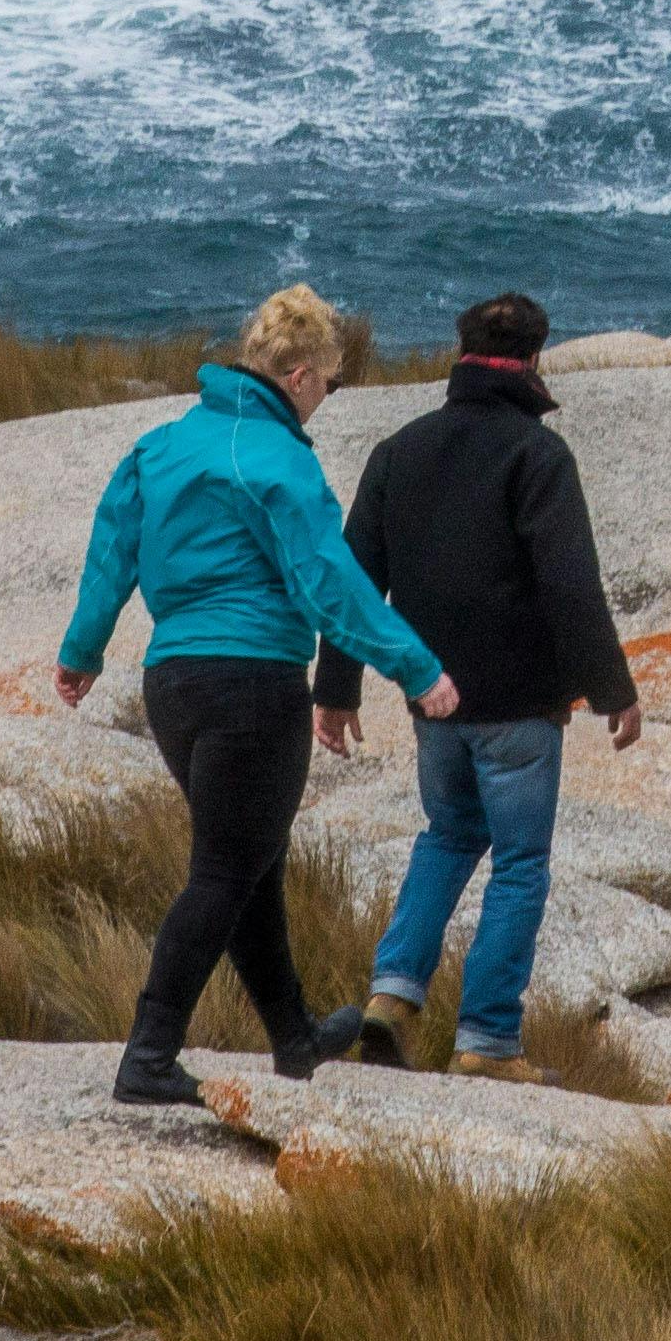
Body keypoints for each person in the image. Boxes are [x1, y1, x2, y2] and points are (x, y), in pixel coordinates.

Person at [57, 283, 457, 1108]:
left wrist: (82, 650)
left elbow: (112, 546)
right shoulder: (278, 458)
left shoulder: (160, 445)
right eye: (332, 386)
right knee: (222, 875)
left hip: (172, 685)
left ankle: (296, 1038)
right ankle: (148, 1054)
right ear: (302, 377)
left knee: (253, 867)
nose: (326, 403)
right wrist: (416, 668)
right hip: (254, 684)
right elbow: (328, 582)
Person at [318, 287, 647, 1071]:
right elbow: (570, 585)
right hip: (521, 708)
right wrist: (614, 691)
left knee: (448, 835)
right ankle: (488, 1040)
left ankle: (392, 996)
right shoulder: (537, 455)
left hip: (431, 698)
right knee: (520, 862)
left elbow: (353, 578)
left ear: (459, 354)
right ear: (534, 362)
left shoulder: (399, 450)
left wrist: (335, 689)